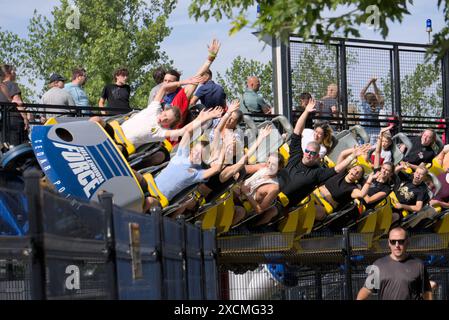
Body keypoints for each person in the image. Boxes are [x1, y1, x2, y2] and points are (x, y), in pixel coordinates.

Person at [277, 98, 365, 210]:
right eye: (307, 151)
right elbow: (297, 132)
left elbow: (336, 169)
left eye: (312, 153)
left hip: (284, 202)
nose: (308, 154)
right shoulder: (298, 153)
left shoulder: (317, 168)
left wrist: (353, 155)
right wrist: (306, 112)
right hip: (279, 180)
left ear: (317, 155)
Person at [357, 227, 432, 300]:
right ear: (389, 243)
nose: (397, 245)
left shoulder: (418, 265)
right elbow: (367, 289)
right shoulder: (378, 265)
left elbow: (427, 292)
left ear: (407, 242)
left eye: (401, 241)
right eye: (393, 241)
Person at [1, 64, 30, 145]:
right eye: (14, 71)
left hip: (4, 121)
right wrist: (25, 118)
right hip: (15, 120)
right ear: (9, 73)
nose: (15, 73)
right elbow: (17, 101)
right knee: (19, 147)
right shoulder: (12, 84)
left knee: (7, 147)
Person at [360, 77, 385, 144]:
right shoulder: (378, 106)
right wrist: (374, 84)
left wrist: (370, 82)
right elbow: (378, 95)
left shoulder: (366, 107)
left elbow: (362, 93)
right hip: (377, 131)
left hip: (367, 131)